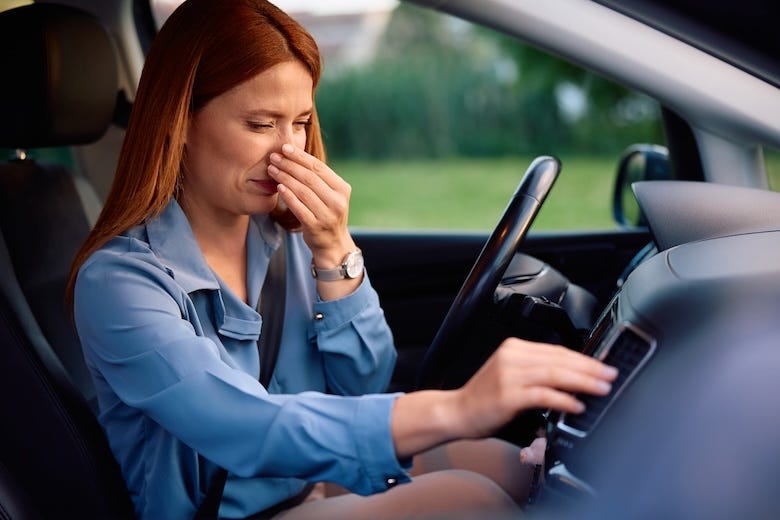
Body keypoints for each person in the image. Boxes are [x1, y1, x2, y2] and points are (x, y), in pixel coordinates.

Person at [67, 0, 618, 518]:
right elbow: (247, 429)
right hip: (235, 512)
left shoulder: (284, 238)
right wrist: (458, 407)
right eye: (261, 124)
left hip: (309, 481)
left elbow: (364, 386)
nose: (290, 151)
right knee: (468, 499)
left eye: (300, 122)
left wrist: (335, 250)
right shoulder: (120, 283)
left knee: (511, 467)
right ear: (181, 121)